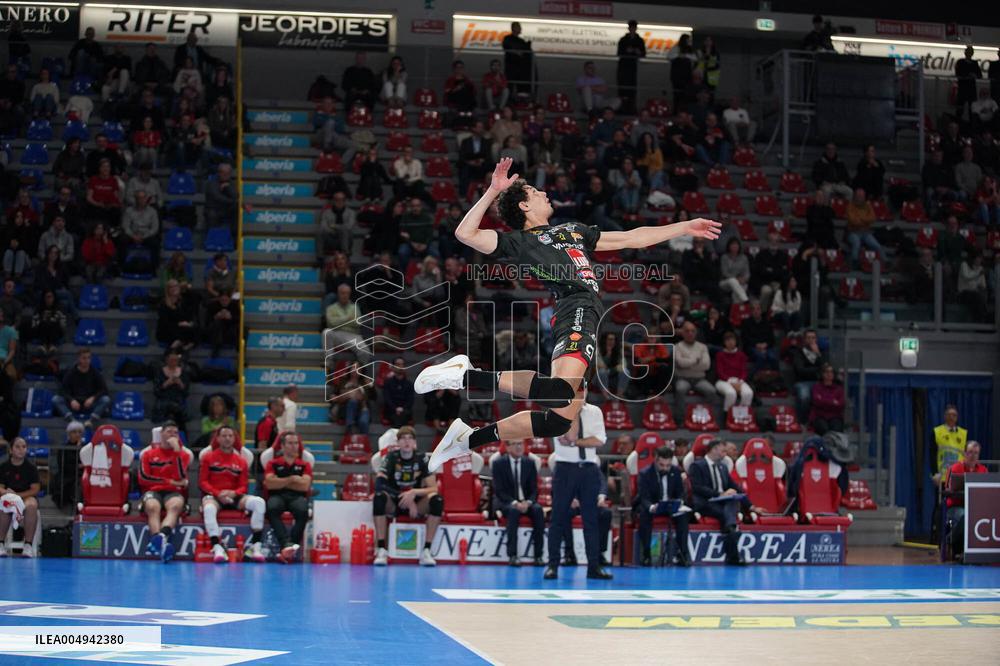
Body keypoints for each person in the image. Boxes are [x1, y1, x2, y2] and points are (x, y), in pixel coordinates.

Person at [413, 158, 718, 463]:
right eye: (534, 191)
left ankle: (465, 438)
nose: (543, 193)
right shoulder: (520, 241)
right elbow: (465, 234)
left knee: (558, 420)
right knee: (560, 393)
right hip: (577, 307)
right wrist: (493, 190)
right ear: (523, 207)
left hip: (581, 314)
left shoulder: (574, 230)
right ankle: (465, 376)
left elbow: (631, 237)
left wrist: (685, 227)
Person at [540, 396, 611, 579]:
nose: (580, 393)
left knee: (591, 520)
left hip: (588, 469)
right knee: (557, 518)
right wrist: (573, 411)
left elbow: (599, 440)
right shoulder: (557, 409)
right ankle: (552, 565)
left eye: (582, 388)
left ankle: (593, 567)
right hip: (565, 468)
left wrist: (575, 443)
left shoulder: (595, 411)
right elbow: (567, 437)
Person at [372, 426, 441, 567]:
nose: (406, 442)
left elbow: (433, 488)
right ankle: (381, 549)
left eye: (410, 438)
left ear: (415, 442)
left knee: (437, 500)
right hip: (394, 501)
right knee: (378, 497)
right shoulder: (391, 457)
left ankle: (426, 551)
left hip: (417, 504)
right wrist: (404, 497)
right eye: (403, 438)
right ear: (398, 443)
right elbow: (379, 483)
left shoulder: (422, 458)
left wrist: (413, 493)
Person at [199, 425, 267, 563]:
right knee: (209, 508)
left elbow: (243, 486)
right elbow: (203, 482)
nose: (227, 439)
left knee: (259, 502)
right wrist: (218, 494)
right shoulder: (208, 457)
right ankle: (217, 547)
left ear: (235, 438)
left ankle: (255, 546)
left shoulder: (241, 460)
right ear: (217, 438)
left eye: (230, 436)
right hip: (215, 496)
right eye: (224, 436)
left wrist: (233, 493)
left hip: (235, 496)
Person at [689, 439, 754, 565]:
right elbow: (697, 488)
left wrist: (751, 506)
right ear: (713, 449)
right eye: (722, 450)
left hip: (721, 503)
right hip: (705, 502)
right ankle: (733, 539)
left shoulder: (722, 467)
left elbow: (736, 487)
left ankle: (730, 529)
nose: (725, 453)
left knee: (732, 500)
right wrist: (720, 494)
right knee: (727, 512)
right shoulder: (697, 465)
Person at [140, 421, 192, 563]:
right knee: (152, 506)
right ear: (161, 434)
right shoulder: (148, 454)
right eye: (169, 432)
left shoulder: (184, 455)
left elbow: (181, 476)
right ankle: (162, 544)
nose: (172, 435)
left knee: (175, 506)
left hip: (173, 492)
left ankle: (159, 539)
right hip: (153, 491)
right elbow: (144, 478)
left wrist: (176, 453)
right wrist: (169, 481)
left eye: (175, 433)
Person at [636, 445, 691, 567]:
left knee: (683, 517)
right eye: (662, 465)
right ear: (655, 460)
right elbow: (643, 497)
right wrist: (651, 507)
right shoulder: (645, 473)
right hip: (652, 506)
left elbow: (680, 492)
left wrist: (680, 501)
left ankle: (682, 554)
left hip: (670, 505)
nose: (665, 468)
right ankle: (646, 555)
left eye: (668, 465)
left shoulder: (675, 471)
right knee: (645, 516)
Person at [491, 439, 545, 566]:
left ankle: (538, 556)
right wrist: (515, 503)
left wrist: (529, 502)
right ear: (508, 448)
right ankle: (513, 555)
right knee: (513, 511)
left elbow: (534, 489)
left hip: (526, 502)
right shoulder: (498, 463)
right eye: (515, 444)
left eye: (521, 444)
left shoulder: (530, 463)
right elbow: (499, 491)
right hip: (507, 501)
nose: (519, 447)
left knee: (538, 510)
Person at [264, 432, 312, 563]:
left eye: (296, 443)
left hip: (297, 497)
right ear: (283, 446)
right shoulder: (272, 463)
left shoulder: (304, 465)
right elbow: (269, 484)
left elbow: (305, 486)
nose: (294, 446)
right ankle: (286, 544)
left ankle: (291, 546)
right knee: (271, 508)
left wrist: (279, 481)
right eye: (290, 443)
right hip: (277, 496)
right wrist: (292, 479)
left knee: (303, 511)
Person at [944, 441, 986, 560]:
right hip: (956, 507)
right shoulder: (955, 468)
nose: (973, 456)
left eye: (976, 453)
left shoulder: (983, 470)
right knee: (966, 516)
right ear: (964, 453)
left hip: (976, 508)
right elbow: (947, 489)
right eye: (970, 452)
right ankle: (953, 545)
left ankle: (955, 543)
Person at [0, 437, 40, 557]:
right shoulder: (3, 466)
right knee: (4, 505)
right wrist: (9, 495)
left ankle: (27, 545)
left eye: (24, 447)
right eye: (17, 447)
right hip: (9, 497)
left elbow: (35, 489)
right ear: (11, 450)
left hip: (25, 497)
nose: (21, 449)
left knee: (32, 505)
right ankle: (0, 544)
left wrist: (17, 496)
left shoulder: (31, 468)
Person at [52, 348, 109, 428]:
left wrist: (93, 398)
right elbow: (62, 390)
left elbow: (104, 390)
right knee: (56, 399)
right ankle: (72, 421)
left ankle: (90, 421)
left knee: (105, 399)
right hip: (74, 404)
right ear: (79, 359)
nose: (87, 360)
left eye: (89, 358)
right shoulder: (71, 372)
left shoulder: (95, 372)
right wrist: (71, 400)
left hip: (89, 404)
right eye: (84, 358)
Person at [673, 320, 716, 416]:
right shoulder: (677, 347)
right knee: (680, 389)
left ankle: (704, 416)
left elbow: (706, 365)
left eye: (692, 331)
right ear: (682, 333)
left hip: (699, 379)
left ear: (696, 333)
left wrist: (687, 362)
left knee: (711, 391)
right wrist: (696, 360)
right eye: (687, 331)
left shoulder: (703, 347)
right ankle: (680, 419)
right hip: (683, 378)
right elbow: (680, 363)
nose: (690, 333)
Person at [845, 187, 883, 269]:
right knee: (856, 243)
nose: (860, 198)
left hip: (866, 232)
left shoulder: (868, 206)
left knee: (877, 245)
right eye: (858, 196)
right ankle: (854, 262)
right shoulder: (850, 206)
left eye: (862, 196)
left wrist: (860, 218)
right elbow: (853, 221)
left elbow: (873, 218)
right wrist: (865, 220)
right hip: (853, 232)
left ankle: (885, 261)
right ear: (855, 196)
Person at [714, 331, 753, 412]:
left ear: (736, 342)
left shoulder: (741, 355)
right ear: (724, 343)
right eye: (728, 340)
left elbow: (744, 371)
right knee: (731, 393)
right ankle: (728, 416)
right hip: (723, 381)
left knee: (748, 393)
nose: (730, 342)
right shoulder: (720, 355)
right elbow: (720, 372)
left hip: (738, 380)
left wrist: (740, 381)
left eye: (732, 340)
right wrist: (731, 382)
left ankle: (742, 415)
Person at [933, 404, 968, 488]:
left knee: (959, 500)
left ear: (957, 417)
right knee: (942, 500)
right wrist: (935, 473)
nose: (951, 417)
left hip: (959, 475)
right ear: (945, 416)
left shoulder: (963, 433)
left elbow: (967, 455)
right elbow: (932, 454)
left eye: (954, 415)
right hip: (943, 475)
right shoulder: (937, 431)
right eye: (949, 415)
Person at [615, 20, 646, 115]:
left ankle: (631, 108)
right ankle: (622, 107)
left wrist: (637, 52)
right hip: (623, 66)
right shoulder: (623, 40)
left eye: (634, 27)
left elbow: (643, 54)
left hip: (632, 67)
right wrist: (627, 51)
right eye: (631, 27)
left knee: (632, 88)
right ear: (629, 28)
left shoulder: (639, 40)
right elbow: (619, 53)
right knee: (623, 87)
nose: (632, 29)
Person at [809, 363, 844, 434]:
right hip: (819, 416)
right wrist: (833, 402)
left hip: (835, 416)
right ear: (822, 374)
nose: (829, 374)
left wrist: (823, 399)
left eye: (831, 372)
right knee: (823, 429)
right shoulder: (817, 387)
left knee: (836, 430)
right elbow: (817, 402)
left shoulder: (839, 389)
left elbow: (841, 405)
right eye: (826, 372)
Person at [502, 22, 533, 98]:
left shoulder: (522, 41)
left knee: (521, 86)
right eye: (519, 27)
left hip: (521, 68)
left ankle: (520, 103)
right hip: (511, 66)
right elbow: (506, 47)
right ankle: (508, 103)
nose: (520, 29)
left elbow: (526, 53)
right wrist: (517, 52)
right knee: (509, 85)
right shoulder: (507, 38)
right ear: (514, 28)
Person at [320, 191, 357, 255]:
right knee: (319, 232)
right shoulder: (326, 212)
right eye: (337, 200)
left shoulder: (351, 213)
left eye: (342, 200)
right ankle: (320, 258)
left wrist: (334, 226)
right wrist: (333, 231)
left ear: (345, 201)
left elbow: (349, 226)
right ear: (333, 201)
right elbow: (323, 226)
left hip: (346, 239)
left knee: (345, 231)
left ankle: (345, 253)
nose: (340, 202)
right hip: (331, 238)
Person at [383, 357, 415, 428]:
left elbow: (410, 400)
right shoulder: (388, 383)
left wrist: (402, 409)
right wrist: (395, 408)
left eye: (402, 364)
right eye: (398, 364)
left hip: (405, 410)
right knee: (397, 417)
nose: (400, 367)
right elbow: (387, 399)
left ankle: (398, 436)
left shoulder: (409, 384)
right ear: (393, 367)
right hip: (391, 410)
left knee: (403, 415)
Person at [205, 162, 237, 230]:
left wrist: (228, 187)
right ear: (219, 173)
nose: (227, 176)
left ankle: (233, 234)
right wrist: (232, 201)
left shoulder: (230, 182)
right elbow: (218, 197)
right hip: (214, 208)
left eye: (229, 174)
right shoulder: (212, 183)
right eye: (225, 174)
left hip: (226, 208)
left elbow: (236, 195)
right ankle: (213, 234)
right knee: (212, 214)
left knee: (236, 208)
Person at [668, 34, 696, 110]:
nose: (689, 42)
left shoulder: (690, 49)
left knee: (686, 94)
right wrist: (679, 55)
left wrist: (685, 55)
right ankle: (676, 110)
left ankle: (684, 110)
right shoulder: (676, 48)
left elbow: (695, 58)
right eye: (688, 40)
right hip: (677, 76)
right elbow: (669, 56)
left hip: (687, 76)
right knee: (677, 94)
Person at [954, 46, 982, 122]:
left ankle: (971, 127)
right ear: (965, 52)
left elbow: (980, 75)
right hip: (963, 88)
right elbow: (958, 73)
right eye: (968, 51)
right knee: (960, 109)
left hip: (971, 89)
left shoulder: (975, 63)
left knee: (972, 110)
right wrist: (967, 75)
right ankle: (958, 125)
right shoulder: (960, 62)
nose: (969, 53)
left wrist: (974, 75)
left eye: (971, 52)